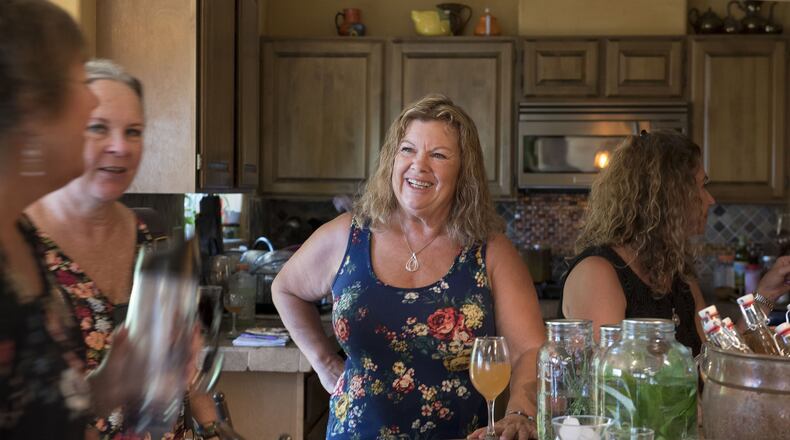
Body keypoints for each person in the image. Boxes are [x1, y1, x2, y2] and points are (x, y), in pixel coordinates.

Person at [272, 94, 545, 439]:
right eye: (408, 150)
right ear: (391, 159)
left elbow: (529, 348)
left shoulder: (489, 251)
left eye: (439, 155)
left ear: (464, 171)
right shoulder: (348, 235)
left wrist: (521, 411)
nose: (419, 165)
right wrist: (325, 364)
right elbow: (285, 288)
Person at [23, 59, 217, 439]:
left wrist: (212, 424)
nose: (120, 147)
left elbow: (182, 372)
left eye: (133, 132)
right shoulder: (20, 247)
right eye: (98, 128)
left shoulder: (149, 235)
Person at [560, 129, 790, 355]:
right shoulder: (598, 274)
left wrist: (764, 297)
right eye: (701, 186)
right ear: (668, 197)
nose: (710, 200)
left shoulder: (677, 272)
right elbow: (613, 384)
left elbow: (717, 359)